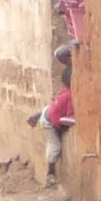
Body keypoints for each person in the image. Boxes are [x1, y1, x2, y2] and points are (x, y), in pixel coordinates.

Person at [31, 46, 75, 185]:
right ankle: (50, 172)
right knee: (55, 145)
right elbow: (69, 117)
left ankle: (38, 114)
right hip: (49, 122)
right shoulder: (71, 97)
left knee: (51, 108)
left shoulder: (65, 92)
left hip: (48, 112)